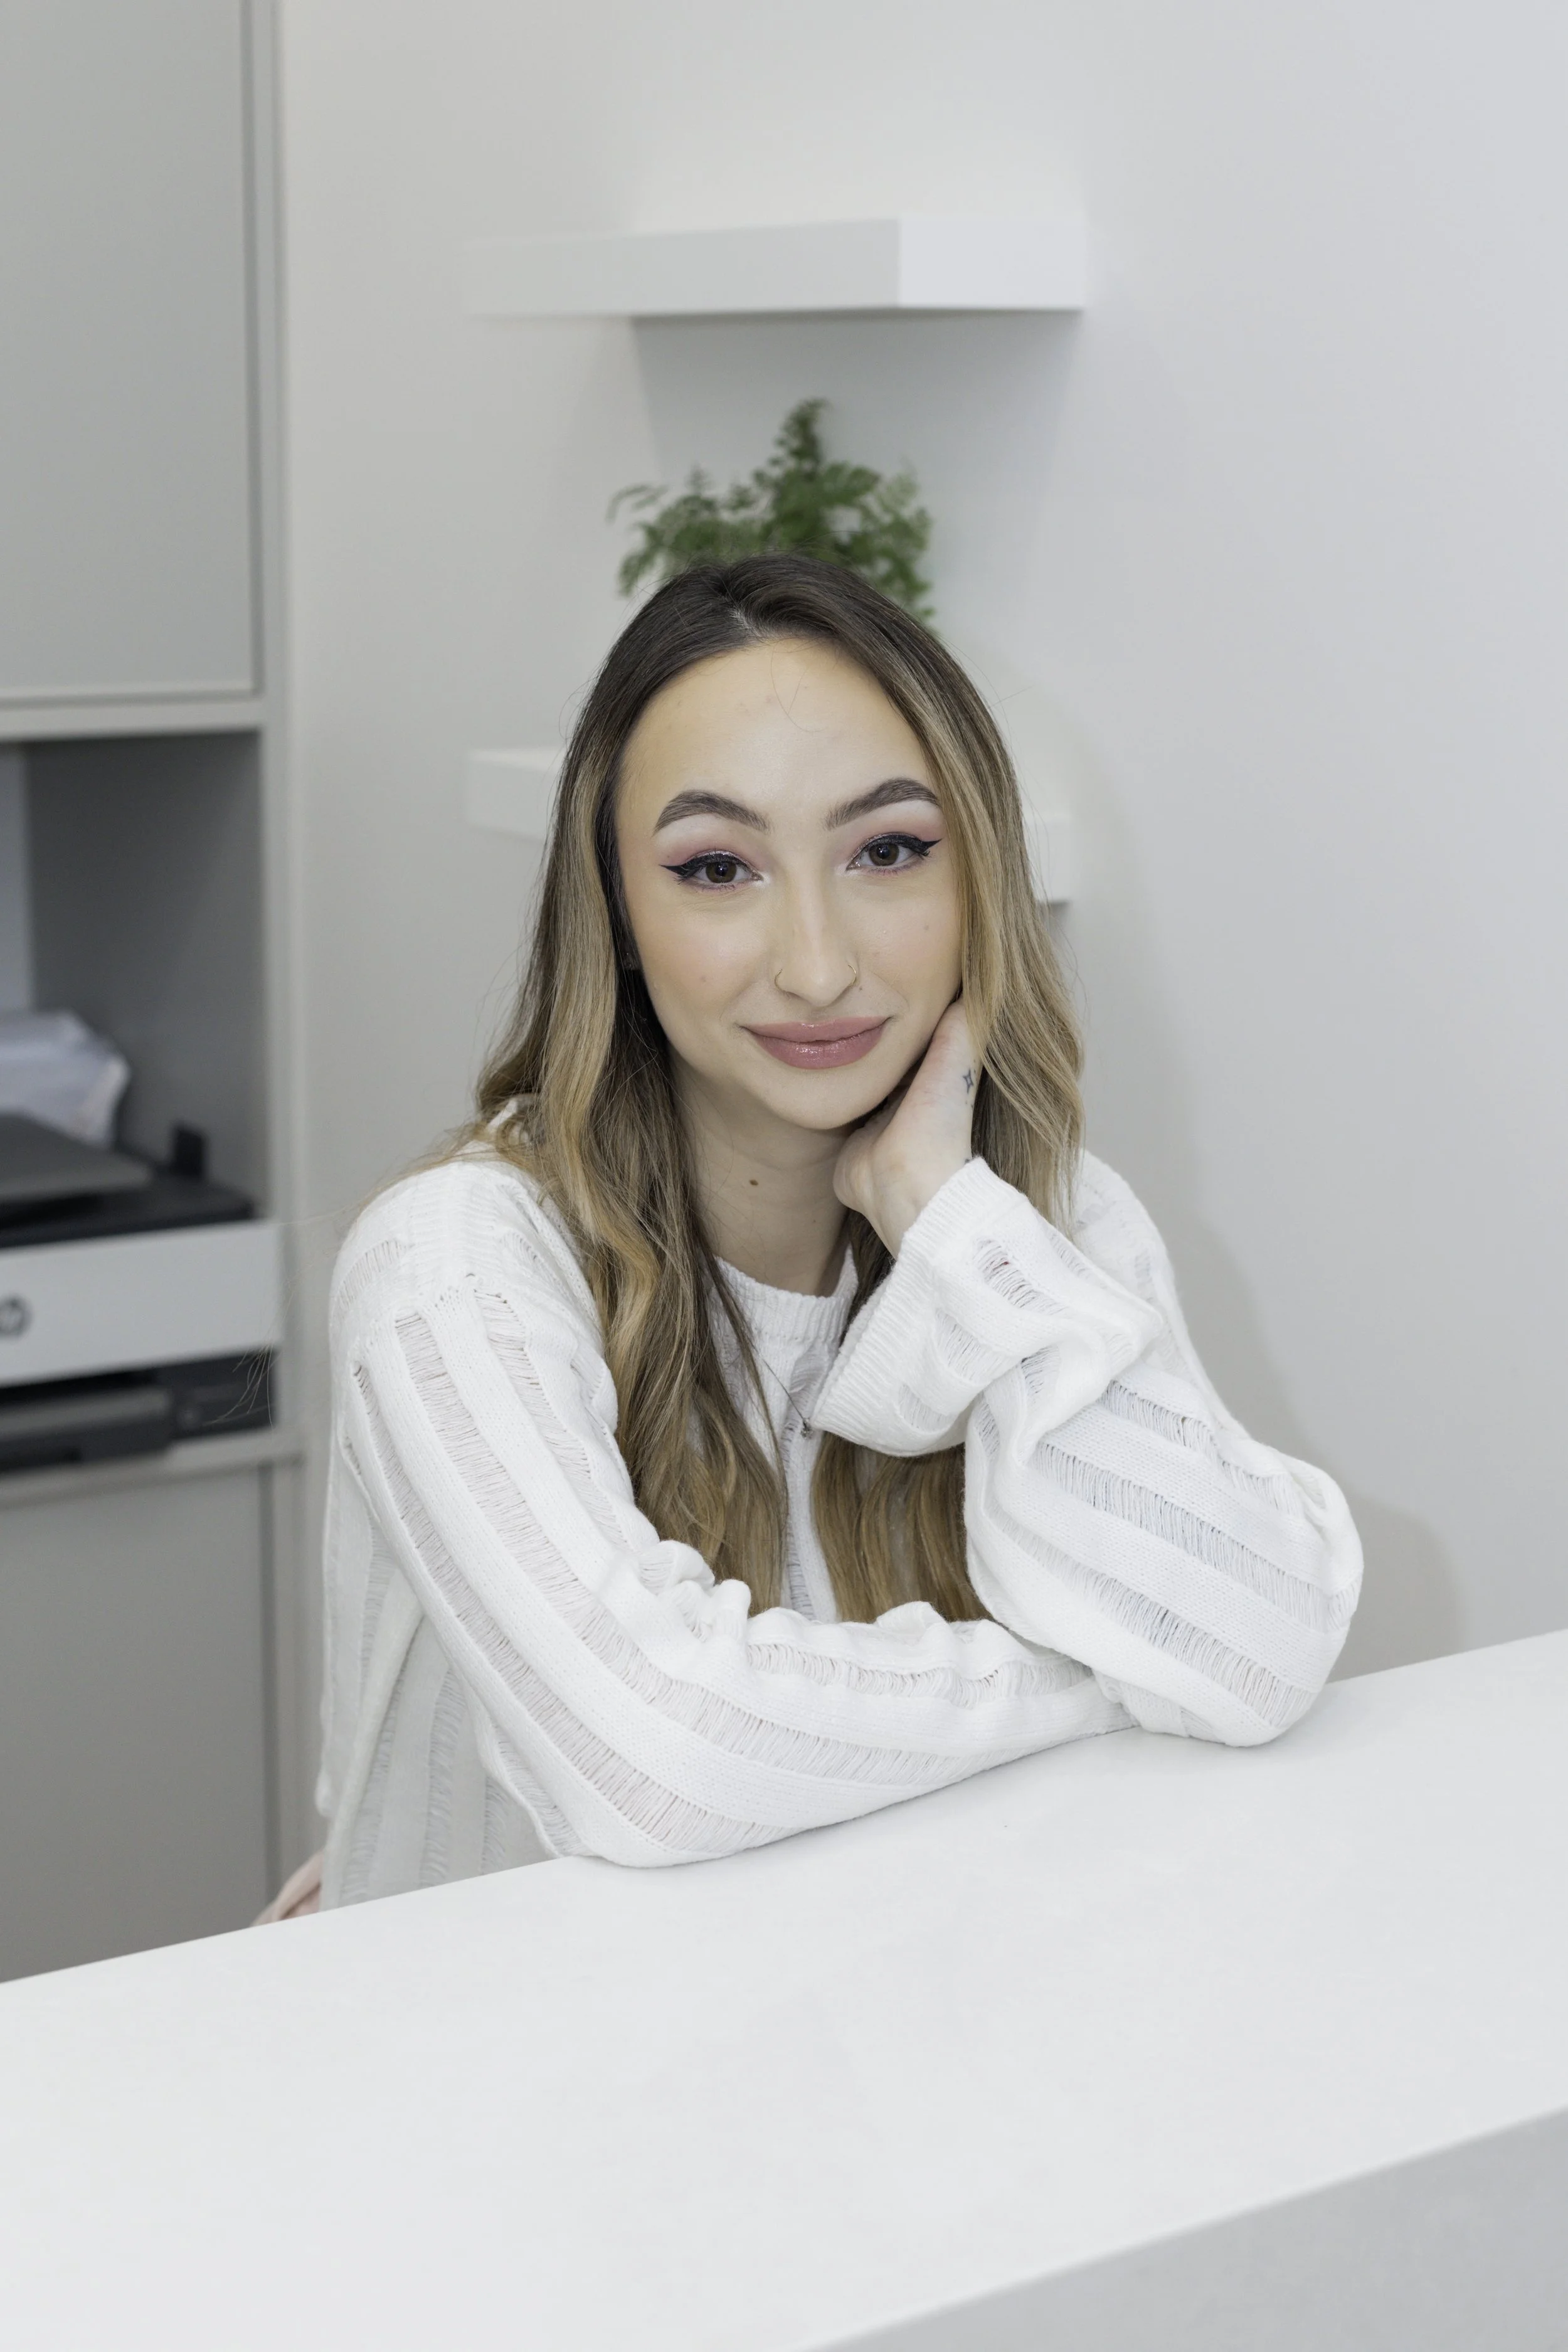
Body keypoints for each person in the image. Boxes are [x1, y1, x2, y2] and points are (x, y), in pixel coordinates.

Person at [312, 554, 1360, 1905]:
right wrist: (1099, 1677)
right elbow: (660, 1758)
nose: (815, 962)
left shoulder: (1036, 1222)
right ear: (617, 916)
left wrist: (947, 1230)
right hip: (491, 2063)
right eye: (714, 868)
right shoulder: (453, 1259)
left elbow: (1256, 1640)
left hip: (859, 2027)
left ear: (976, 874)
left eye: (886, 850)